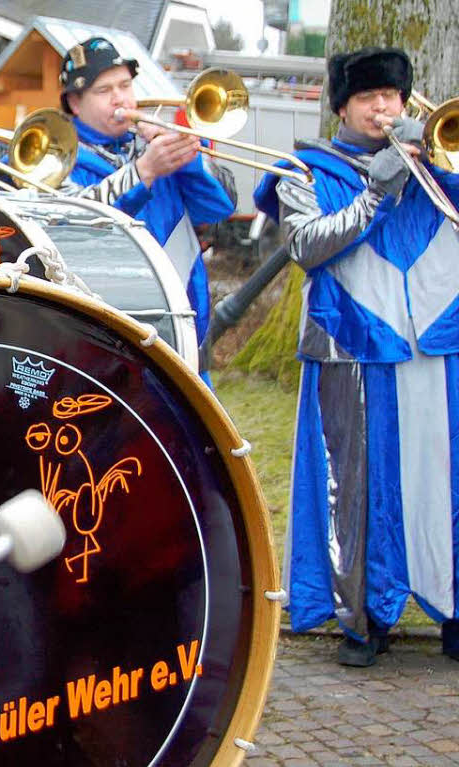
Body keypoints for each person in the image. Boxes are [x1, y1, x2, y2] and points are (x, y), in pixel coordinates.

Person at [253, 46, 459, 667]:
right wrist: (375, 193)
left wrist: (434, 167)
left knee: (446, 478)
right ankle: (363, 618)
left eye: (392, 97)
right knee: (356, 487)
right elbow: (306, 247)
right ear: (341, 105)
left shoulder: (438, 159)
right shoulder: (304, 168)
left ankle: (453, 608)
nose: (383, 108)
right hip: (353, 345)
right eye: (369, 98)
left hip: (437, 342)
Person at [59, 37, 237, 378]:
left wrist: (186, 156)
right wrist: (143, 172)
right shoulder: (58, 155)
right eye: (104, 90)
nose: (120, 98)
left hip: (182, 323)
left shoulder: (152, 143)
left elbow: (219, 207)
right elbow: (73, 224)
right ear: (75, 103)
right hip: (108, 331)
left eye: (125, 85)